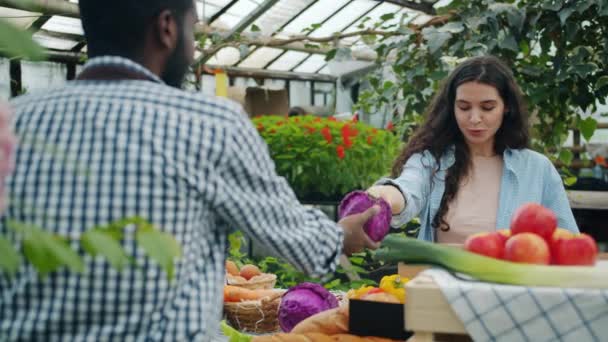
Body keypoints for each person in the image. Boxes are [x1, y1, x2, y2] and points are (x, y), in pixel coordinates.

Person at [0, 1, 379, 340]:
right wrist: (342, 234)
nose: (193, 45)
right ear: (167, 28)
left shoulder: (14, 121)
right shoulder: (209, 124)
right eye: (192, 29)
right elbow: (303, 244)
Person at [367, 56, 579, 243]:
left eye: (487, 107)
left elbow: (566, 239)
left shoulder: (537, 169)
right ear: (452, 107)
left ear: (506, 107)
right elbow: (408, 189)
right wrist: (382, 196)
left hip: (514, 286)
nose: (475, 119)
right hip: (441, 286)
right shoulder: (431, 161)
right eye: (464, 107)